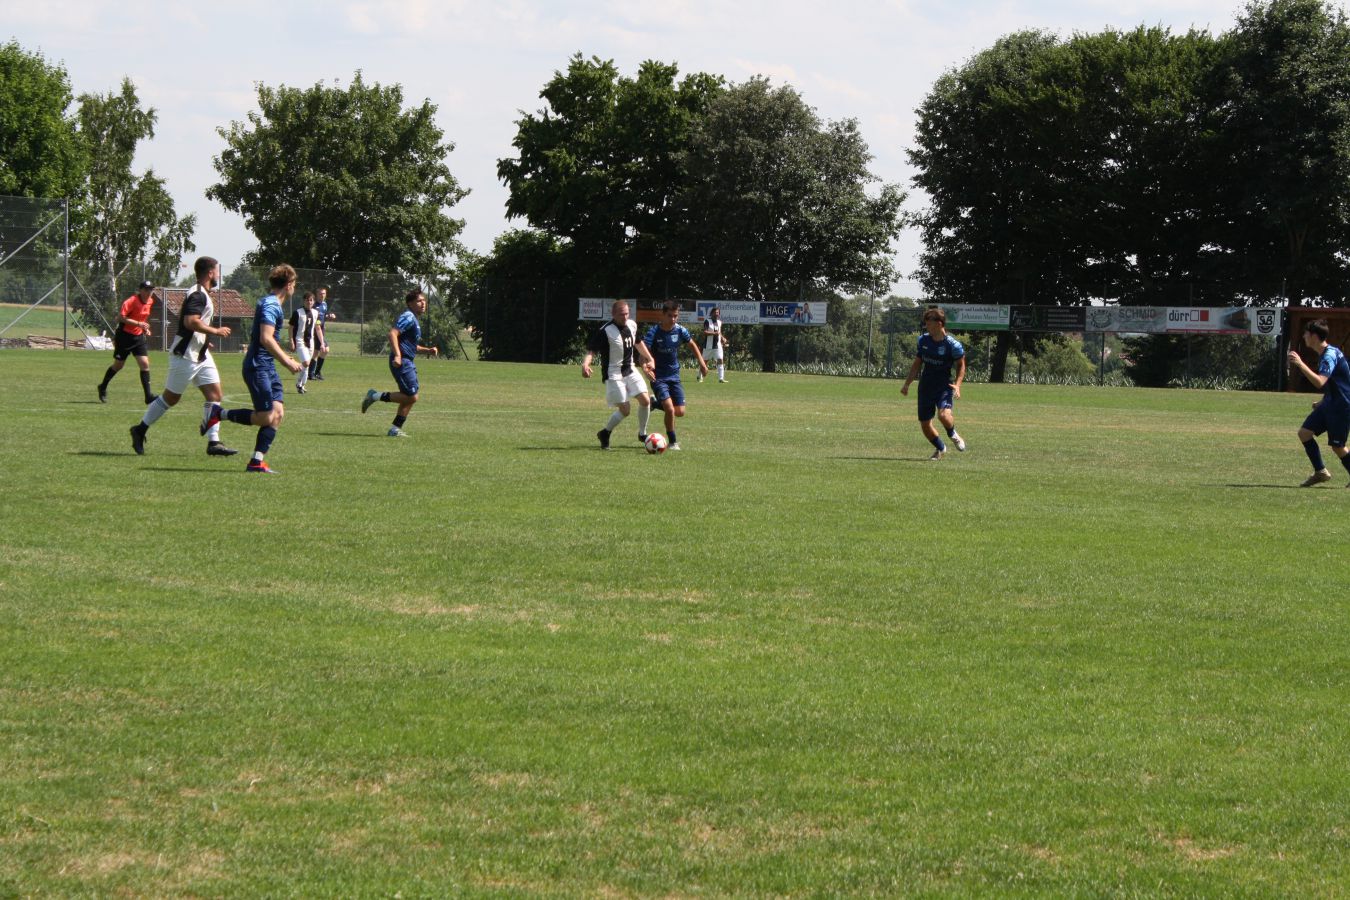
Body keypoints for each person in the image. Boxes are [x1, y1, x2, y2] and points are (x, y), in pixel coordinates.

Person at [129, 257, 237, 457]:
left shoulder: (201, 293)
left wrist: (204, 340)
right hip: (185, 355)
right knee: (171, 398)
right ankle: (140, 429)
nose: (218, 275)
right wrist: (215, 331)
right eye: (217, 271)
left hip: (200, 353)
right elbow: (190, 321)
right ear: (210, 273)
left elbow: (190, 322)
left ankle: (214, 442)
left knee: (215, 395)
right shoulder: (198, 294)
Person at [203, 264, 304, 473]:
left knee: (277, 413)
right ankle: (218, 413)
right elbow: (266, 338)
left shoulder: (273, 304)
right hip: (258, 367)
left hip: (267, 367)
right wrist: (287, 362)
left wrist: (283, 357)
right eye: (294, 283)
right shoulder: (271, 305)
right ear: (289, 284)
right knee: (266, 416)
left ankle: (256, 461)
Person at [361, 289, 437, 436]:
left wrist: (428, 350)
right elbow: (392, 333)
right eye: (419, 301)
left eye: (424, 300)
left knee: (409, 396)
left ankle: (395, 430)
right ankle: (374, 396)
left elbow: (410, 346)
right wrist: (397, 355)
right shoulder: (408, 316)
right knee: (411, 396)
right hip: (402, 362)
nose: (423, 303)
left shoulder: (414, 319)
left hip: (407, 361)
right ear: (410, 304)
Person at [581, 300, 656, 450]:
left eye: (627, 313)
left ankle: (642, 434)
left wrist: (650, 358)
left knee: (645, 400)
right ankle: (605, 433)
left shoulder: (632, 325)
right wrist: (585, 364)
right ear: (613, 314)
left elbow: (638, 343)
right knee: (625, 410)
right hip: (613, 373)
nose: (625, 317)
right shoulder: (605, 330)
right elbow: (592, 350)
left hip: (630, 369)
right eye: (622, 314)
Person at [1287, 318, 1350, 487]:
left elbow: (1320, 382)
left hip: (1341, 407)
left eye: (1306, 334)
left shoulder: (1329, 355)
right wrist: (1323, 401)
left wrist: (1300, 364)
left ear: (1314, 336)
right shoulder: (1327, 353)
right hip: (1330, 403)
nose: (1304, 336)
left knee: (1338, 447)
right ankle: (1320, 472)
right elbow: (1336, 383)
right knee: (1304, 433)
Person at [900, 306, 967, 460]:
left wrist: (958, 385)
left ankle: (952, 433)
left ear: (939, 323)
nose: (926, 325)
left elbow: (961, 365)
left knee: (943, 415)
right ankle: (940, 448)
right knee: (925, 424)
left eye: (928, 321)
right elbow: (917, 364)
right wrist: (907, 384)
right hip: (926, 386)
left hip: (944, 386)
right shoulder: (923, 340)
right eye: (925, 321)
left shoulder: (953, 345)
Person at [642, 300, 708, 451]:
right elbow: (642, 353)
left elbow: (692, 344)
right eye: (670, 315)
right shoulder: (654, 332)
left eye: (675, 316)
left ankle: (655, 403)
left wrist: (702, 364)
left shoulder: (680, 330)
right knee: (670, 409)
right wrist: (646, 368)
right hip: (658, 377)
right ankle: (673, 442)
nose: (673, 319)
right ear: (663, 315)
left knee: (680, 412)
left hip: (674, 376)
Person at [98, 280, 157, 404]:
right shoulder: (131, 301)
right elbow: (120, 318)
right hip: (124, 336)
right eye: (146, 289)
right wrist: (139, 324)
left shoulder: (150, 301)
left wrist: (144, 328)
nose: (149, 292)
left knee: (144, 364)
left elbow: (142, 318)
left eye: (151, 289)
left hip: (138, 337)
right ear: (140, 290)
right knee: (118, 365)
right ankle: (103, 386)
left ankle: (148, 396)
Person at [289, 290, 318, 394]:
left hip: (310, 341)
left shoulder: (315, 313)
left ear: (313, 301)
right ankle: (298, 380)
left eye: (311, 300)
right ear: (303, 301)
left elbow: (316, 326)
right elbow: (291, 327)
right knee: (306, 362)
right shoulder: (297, 313)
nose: (309, 302)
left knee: (306, 365)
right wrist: (291, 340)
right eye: (307, 300)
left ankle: (301, 385)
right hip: (300, 341)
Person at [309, 286, 335, 380]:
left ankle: (313, 373)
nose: (322, 295)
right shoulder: (314, 306)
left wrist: (329, 316)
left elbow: (323, 316)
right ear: (317, 295)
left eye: (324, 293)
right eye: (320, 294)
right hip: (315, 331)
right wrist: (322, 342)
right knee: (321, 350)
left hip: (321, 330)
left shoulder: (324, 304)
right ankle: (313, 373)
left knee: (319, 351)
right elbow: (317, 324)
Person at [697, 306, 729, 383]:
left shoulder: (719, 322)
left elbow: (719, 332)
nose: (716, 314)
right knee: (704, 362)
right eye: (715, 312)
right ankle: (699, 377)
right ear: (711, 313)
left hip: (718, 346)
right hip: (708, 346)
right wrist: (714, 333)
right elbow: (705, 332)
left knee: (720, 360)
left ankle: (721, 378)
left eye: (717, 312)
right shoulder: (707, 321)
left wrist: (723, 338)